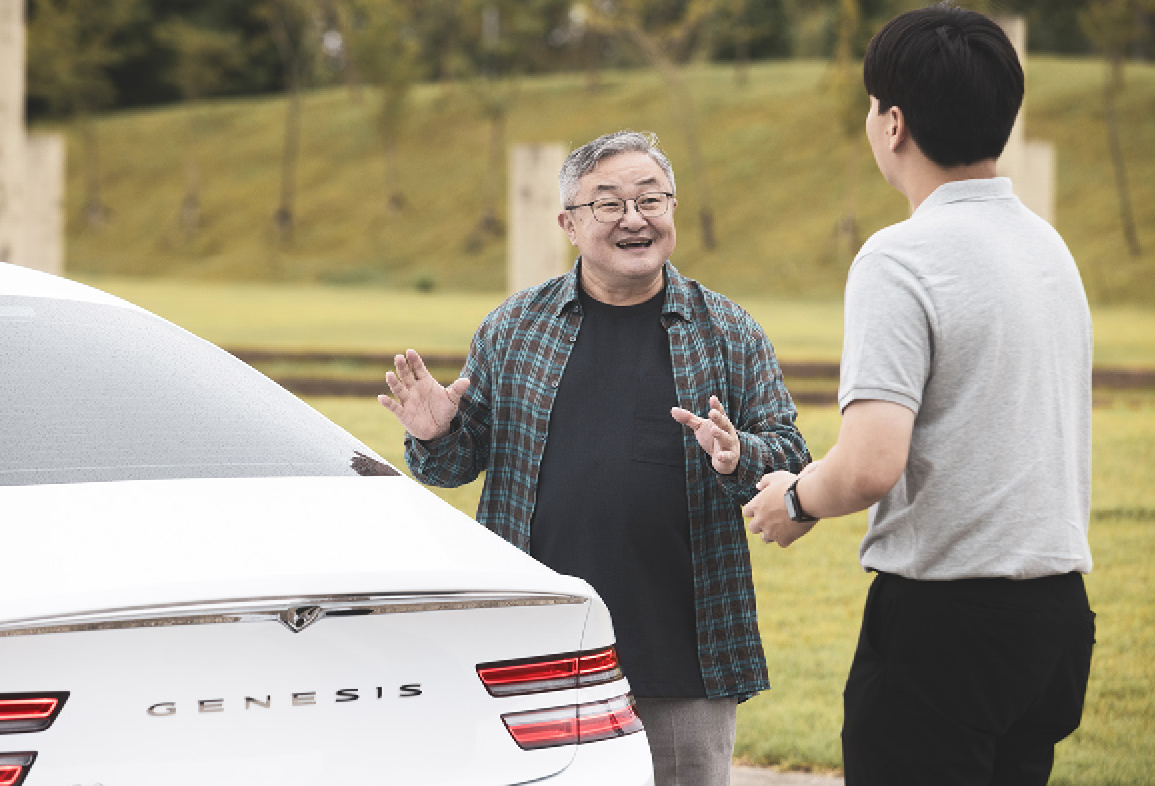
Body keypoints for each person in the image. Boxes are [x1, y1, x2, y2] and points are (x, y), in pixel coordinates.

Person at [380, 130, 809, 785]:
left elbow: (790, 462)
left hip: (683, 656)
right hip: (536, 656)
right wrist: (437, 431)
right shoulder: (514, 328)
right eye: (608, 204)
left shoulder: (730, 332)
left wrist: (737, 455)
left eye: (651, 199)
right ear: (569, 224)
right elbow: (451, 467)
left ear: (672, 210)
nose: (634, 218)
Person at [743, 7, 1095, 785]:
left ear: (892, 123)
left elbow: (871, 463)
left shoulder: (899, 259)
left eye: (873, 106)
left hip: (946, 629)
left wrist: (794, 499)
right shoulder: (1047, 244)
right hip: (1056, 623)